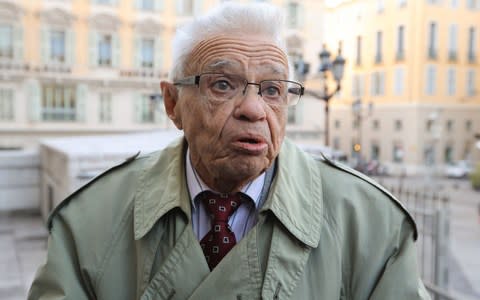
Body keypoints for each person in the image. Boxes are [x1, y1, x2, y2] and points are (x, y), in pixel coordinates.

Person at [28, 3, 430, 299]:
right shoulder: (88, 223)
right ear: (172, 104)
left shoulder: (373, 226)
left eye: (273, 89)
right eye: (222, 84)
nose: (254, 109)